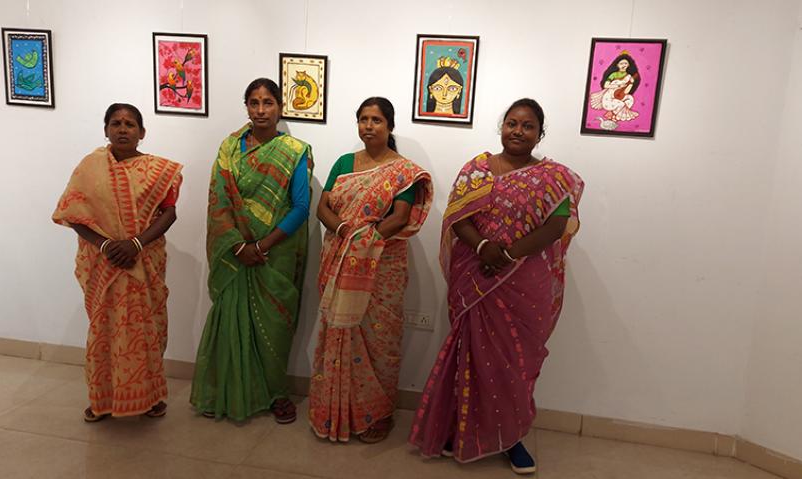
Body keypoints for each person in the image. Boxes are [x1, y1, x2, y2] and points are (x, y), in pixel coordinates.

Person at [409, 98, 584, 474]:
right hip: (476, 272)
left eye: (528, 126)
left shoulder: (553, 178)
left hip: (525, 281)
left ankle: (512, 437)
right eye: (512, 123)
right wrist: (484, 248)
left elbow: (556, 226)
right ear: (502, 127)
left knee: (515, 363)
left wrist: (508, 255)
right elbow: (458, 217)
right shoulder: (476, 170)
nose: (518, 131)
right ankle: (458, 429)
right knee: (469, 356)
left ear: (540, 134)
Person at [309, 97, 433, 443]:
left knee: (381, 339)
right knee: (340, 331)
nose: (368, 126)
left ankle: (378, 414)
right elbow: (323, 206)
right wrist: (345, 231)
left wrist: (364, 241)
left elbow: (400, 216)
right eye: (363, 119)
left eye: (376, 120)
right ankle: (337, 411)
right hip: (341, 257)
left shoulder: (403, 171)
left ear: (390, 126)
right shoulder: (344, 163)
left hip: (382, 265)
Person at [190, 78, 313, 423]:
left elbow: (301, 207)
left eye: (268, 102)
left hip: (275, 253)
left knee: (274, 327)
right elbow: (218, 201)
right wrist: (239, 245)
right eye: (254, 103)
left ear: (280, 108)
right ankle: (225, 391)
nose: (261, 110)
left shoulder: (295, 150)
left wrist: (261, 245)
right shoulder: (229, 148)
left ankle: (276, 393)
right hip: (235, 252)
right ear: (246, 106)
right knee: (231, 321)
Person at [53, 103, 183, 422]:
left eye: (130, 124)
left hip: (144, 259)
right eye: (116, 123)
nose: (123, 129)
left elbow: (169, 213)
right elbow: (73, 214)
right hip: (105, 261)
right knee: (104, 329)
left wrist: (136, 243)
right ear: (106, 130)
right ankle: (103, 400)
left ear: (142, 132)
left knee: (147, 328)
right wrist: (106, 245)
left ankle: (151, 398)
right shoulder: (89, 168)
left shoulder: (158, 170)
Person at [589, 52, 641, 125]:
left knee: (630, 99)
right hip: (609, 96)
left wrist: (631, 83)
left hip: (619, 95)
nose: (623, 65)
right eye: (621, 63)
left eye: (625, 63)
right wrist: (618, 86)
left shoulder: (629, 76)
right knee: (621, 104)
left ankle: (614, 115)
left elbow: (626, 92)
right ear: (617, 65)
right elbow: (606, 85)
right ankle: (612, 115)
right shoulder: (613, 74)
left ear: (628, 65)